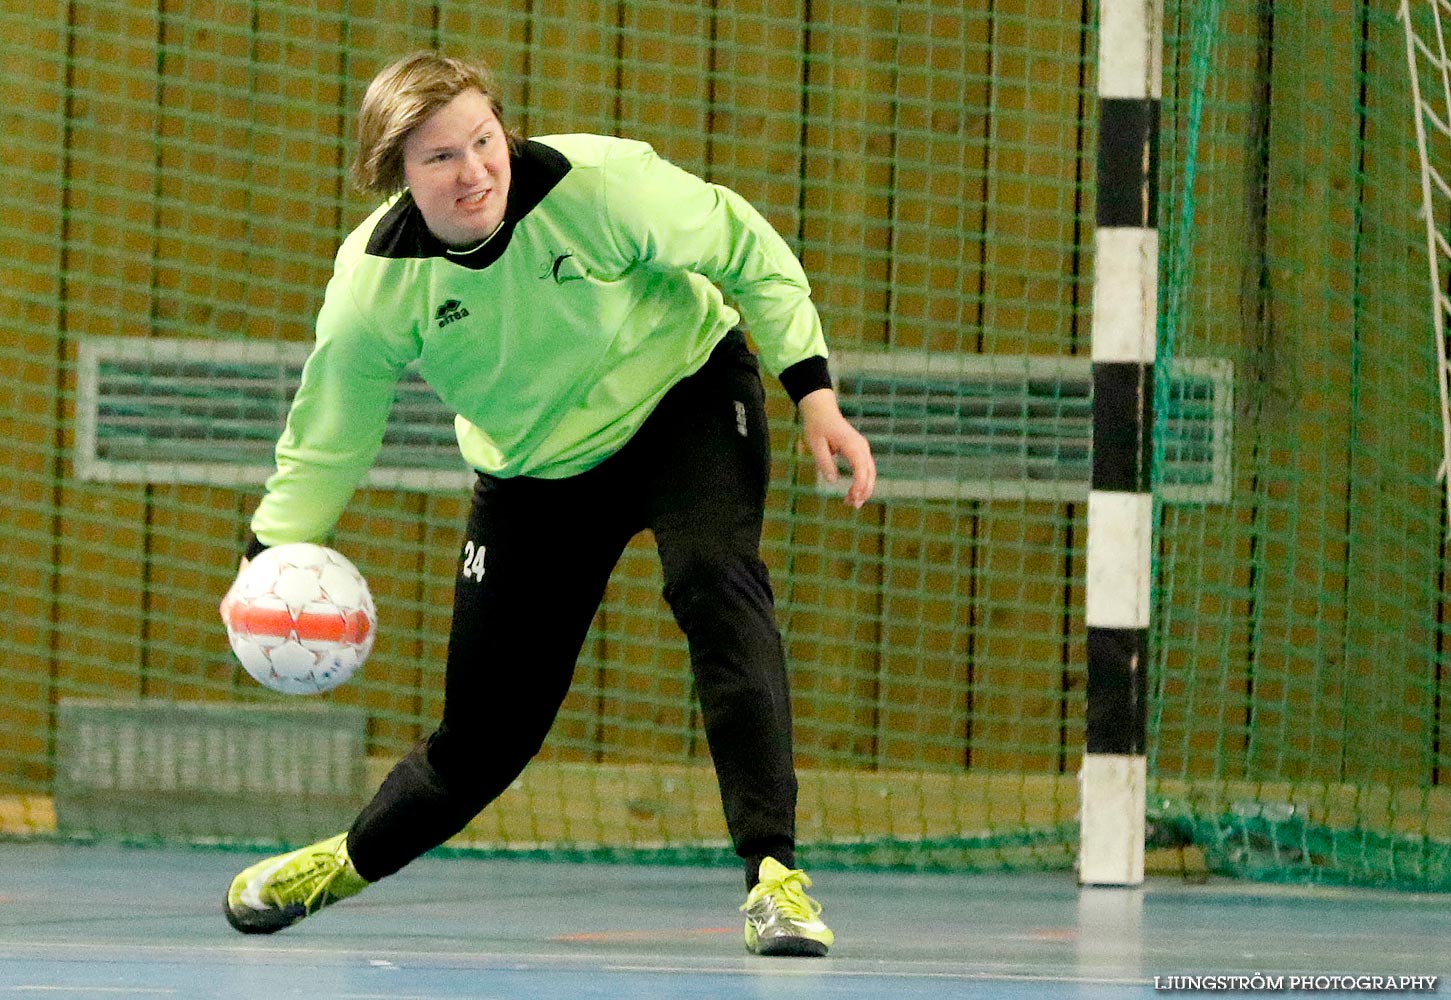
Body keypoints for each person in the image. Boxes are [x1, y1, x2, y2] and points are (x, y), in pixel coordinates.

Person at [220, 50, 875, 958]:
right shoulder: (376, 279)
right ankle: (343, 862)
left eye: (484, 140)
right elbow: (332, 428)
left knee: (714, 579)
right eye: (440, 157)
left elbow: (739, 243)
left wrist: (812, 390)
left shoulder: (598, 186)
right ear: (396, 175)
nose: (474, 170)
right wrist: (268, 555)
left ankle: (775, 876)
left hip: (679, 396)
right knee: (486, 736)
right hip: (534, 471)